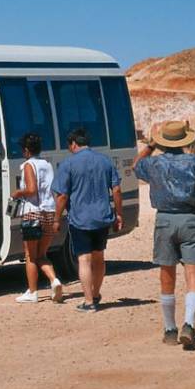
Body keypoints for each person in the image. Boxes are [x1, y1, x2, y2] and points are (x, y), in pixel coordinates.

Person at [133, 121, 195, 350]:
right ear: (185, 140)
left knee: (167, 275)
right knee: (193, 276)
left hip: (164, 220)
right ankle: (189, 324)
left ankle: (169, 329)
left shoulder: (154, 163)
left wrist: (151, 145)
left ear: (164, 142)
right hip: (191, 221)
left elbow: (136, 165)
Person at [52, 128, 124, 313]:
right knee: (99, 257)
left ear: (73, 143)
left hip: (80, 218)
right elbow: (116, 190)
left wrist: (56, 219)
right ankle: (96, 293)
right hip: (102, 217)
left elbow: (61, 196)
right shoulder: (104, 161)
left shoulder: (68, 164)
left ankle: (88, 301)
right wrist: (119, 214)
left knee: (84, 259)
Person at [11, 133, 63, 303]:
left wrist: (18, 192)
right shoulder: (47, 164)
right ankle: (54, 280)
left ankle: (32, 292)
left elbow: (32, 190)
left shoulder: (28, 165)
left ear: (26, 150)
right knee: (42, 254)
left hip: (32, 212)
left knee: (30, 256)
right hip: (49, 212)